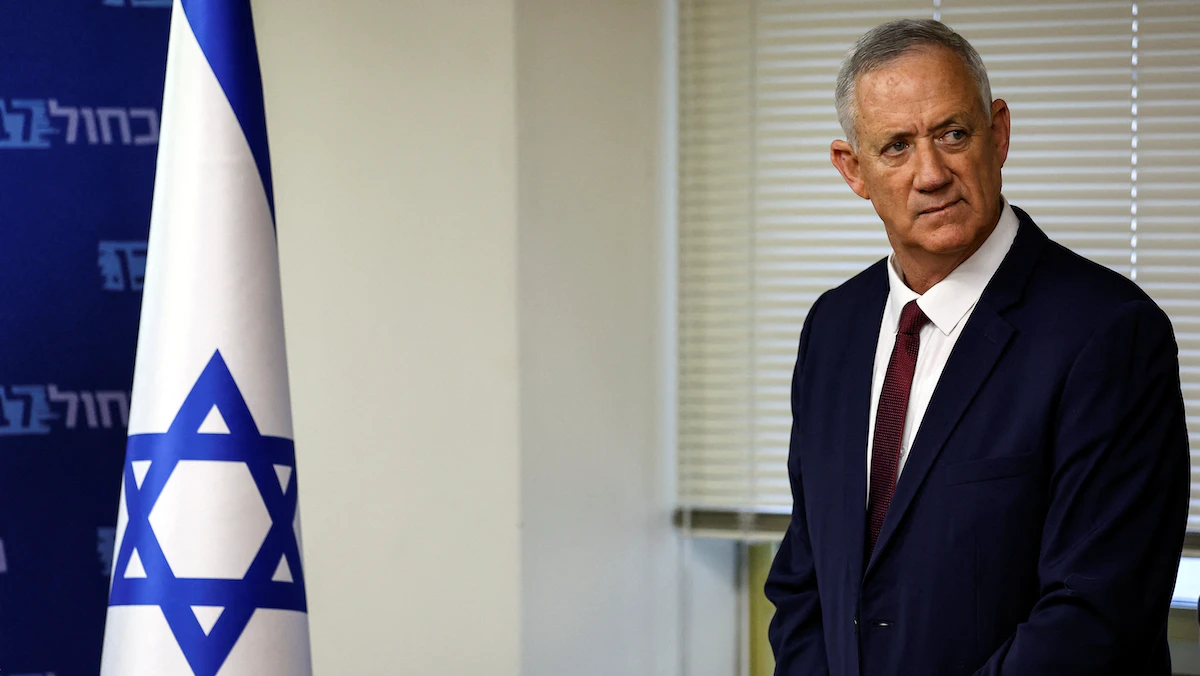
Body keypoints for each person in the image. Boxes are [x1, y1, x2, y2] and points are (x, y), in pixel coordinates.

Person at [764, 18, 1189, 676]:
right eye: (896, 146)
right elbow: (804, 578)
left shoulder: (1110, 331)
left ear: (999, 133)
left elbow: (1095, 616)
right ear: (853, 170)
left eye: (953, 134)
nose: (931, 173)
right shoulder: (833, 327)